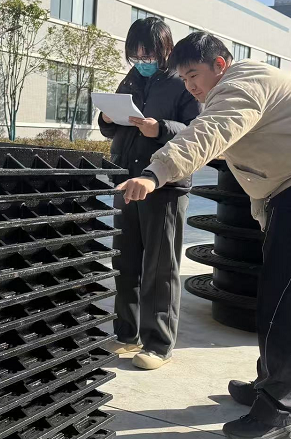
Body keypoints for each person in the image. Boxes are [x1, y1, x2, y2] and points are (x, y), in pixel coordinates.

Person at [118, 32, 291, 439]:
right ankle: (269, 386)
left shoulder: (241, 84)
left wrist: (155, 173)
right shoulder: (235, 89)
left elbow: (207, 134)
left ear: (219, 65)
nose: (190, 86)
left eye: (194, 75)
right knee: (276, 289)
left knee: (287, 296)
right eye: (184, 79)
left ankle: (278, 412)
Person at [98, 17, 201, 370]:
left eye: (148, 54)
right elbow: (115, 131)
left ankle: (158, 344)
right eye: (136, 55)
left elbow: (198, 132)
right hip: (127, 179)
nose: (142, 61)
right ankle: (127, 334)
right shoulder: (130, 79)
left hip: (165, 185)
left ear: (165, 49)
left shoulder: (182, 83)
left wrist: (161, 129)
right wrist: (106, 121)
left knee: (160, 267)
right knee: (125, 262)